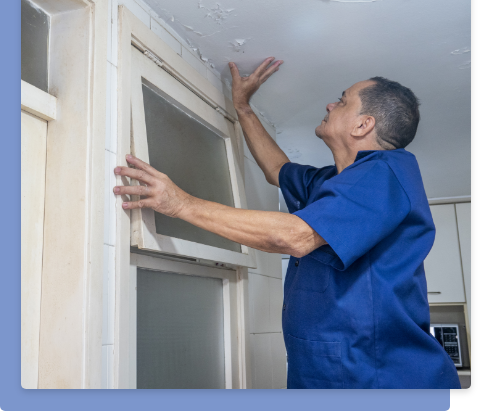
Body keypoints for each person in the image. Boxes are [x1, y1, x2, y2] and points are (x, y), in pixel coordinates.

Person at [113, 57, 461, 389]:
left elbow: (296, 237)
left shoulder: (386, 171)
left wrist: (182, 205)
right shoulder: (333, 183)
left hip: (381, 379)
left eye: (341, 101)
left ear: (362, 124)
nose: (329, 105)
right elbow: (276, 169)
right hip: (331, 373)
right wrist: (243, 107)